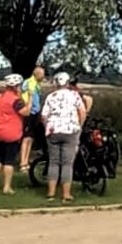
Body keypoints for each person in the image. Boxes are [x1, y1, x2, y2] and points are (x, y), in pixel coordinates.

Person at [41, 71, 86, 203]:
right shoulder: (74, 95)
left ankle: (51, 193)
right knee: (67, 164)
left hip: (53, 131)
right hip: (70, 130)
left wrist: (47, 127)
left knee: (54, 162)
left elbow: (44, 116)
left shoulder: (51, 96)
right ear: (67, 83)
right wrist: (79, 126)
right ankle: (66, 195)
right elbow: (82, 112)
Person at [0, 73, 29, 195]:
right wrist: (29, 99)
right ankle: (7, 187)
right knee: (9, 160)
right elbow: (26, 112)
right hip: (11, 133)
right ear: (16, 86)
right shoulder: (16, 100)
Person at [19, 65, 46, 172]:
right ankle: (22, 163)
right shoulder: (29, 82)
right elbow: (22, 95)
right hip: (29, 114)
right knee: (26, 138)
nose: (44, 77)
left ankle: (26, 161)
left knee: (31, 138)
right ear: (37, 74)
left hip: (35, 113)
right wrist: (26, 106)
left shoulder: (37, 84)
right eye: (42, 74)